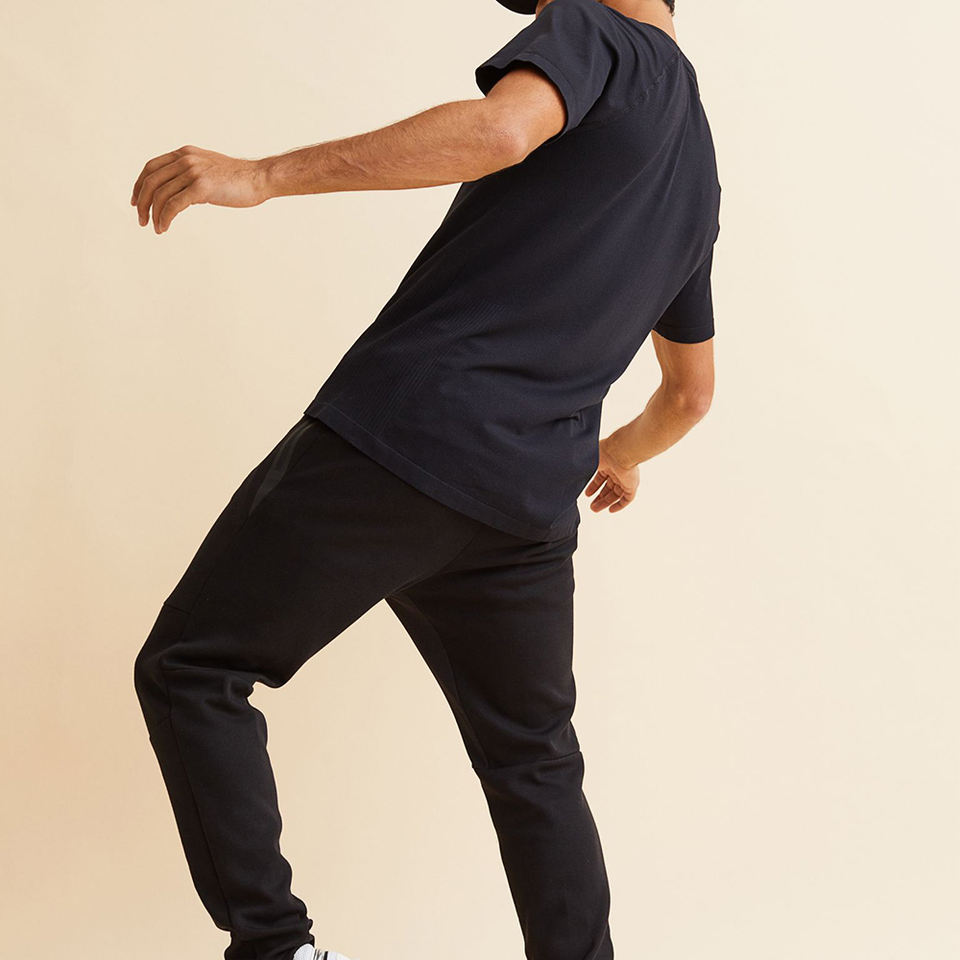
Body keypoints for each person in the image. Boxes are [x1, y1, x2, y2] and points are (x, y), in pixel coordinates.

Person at [131, 0, 720, 958]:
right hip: (528, 506)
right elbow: (690, 394)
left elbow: (500, 129)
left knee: (191, 667)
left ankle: (278, 949)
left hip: (409, 438)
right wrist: (618, 454)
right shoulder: (696, 164)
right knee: (534, 766)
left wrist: (262, 175)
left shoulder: (592, 32)